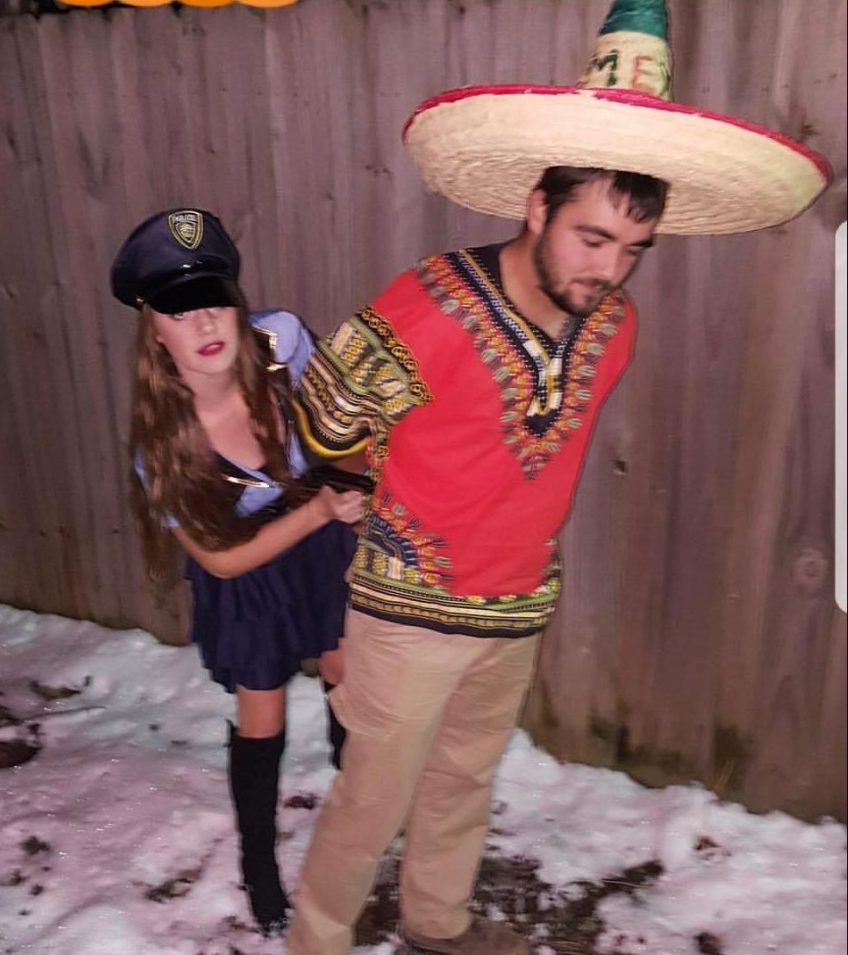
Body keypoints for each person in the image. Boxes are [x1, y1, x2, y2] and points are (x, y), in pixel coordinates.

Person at [285, 1, 830, 953]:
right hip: (408, 612)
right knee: (372, 798)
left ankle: (437, 923)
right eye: (591, 237)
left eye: (631, 250)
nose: (609, 270)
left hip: (515, 604)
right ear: (537, 206)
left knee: (464, 782)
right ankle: (318, 939)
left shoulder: (613, 329)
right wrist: (383, 492)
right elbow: (324, 416)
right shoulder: (430, 304)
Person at [109, 207, 365, 937]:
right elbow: (218, 558)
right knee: (264, 711)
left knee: (351, 672)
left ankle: (355, 819)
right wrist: (318, 512)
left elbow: (340, 423)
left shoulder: (281, 342)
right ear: (153, 327)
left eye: (215, 297)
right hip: (248, 575)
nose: (207, 322)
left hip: (320, 548)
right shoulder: (160, 447)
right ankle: (258, 860)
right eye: (181, 311)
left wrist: (351, 484)